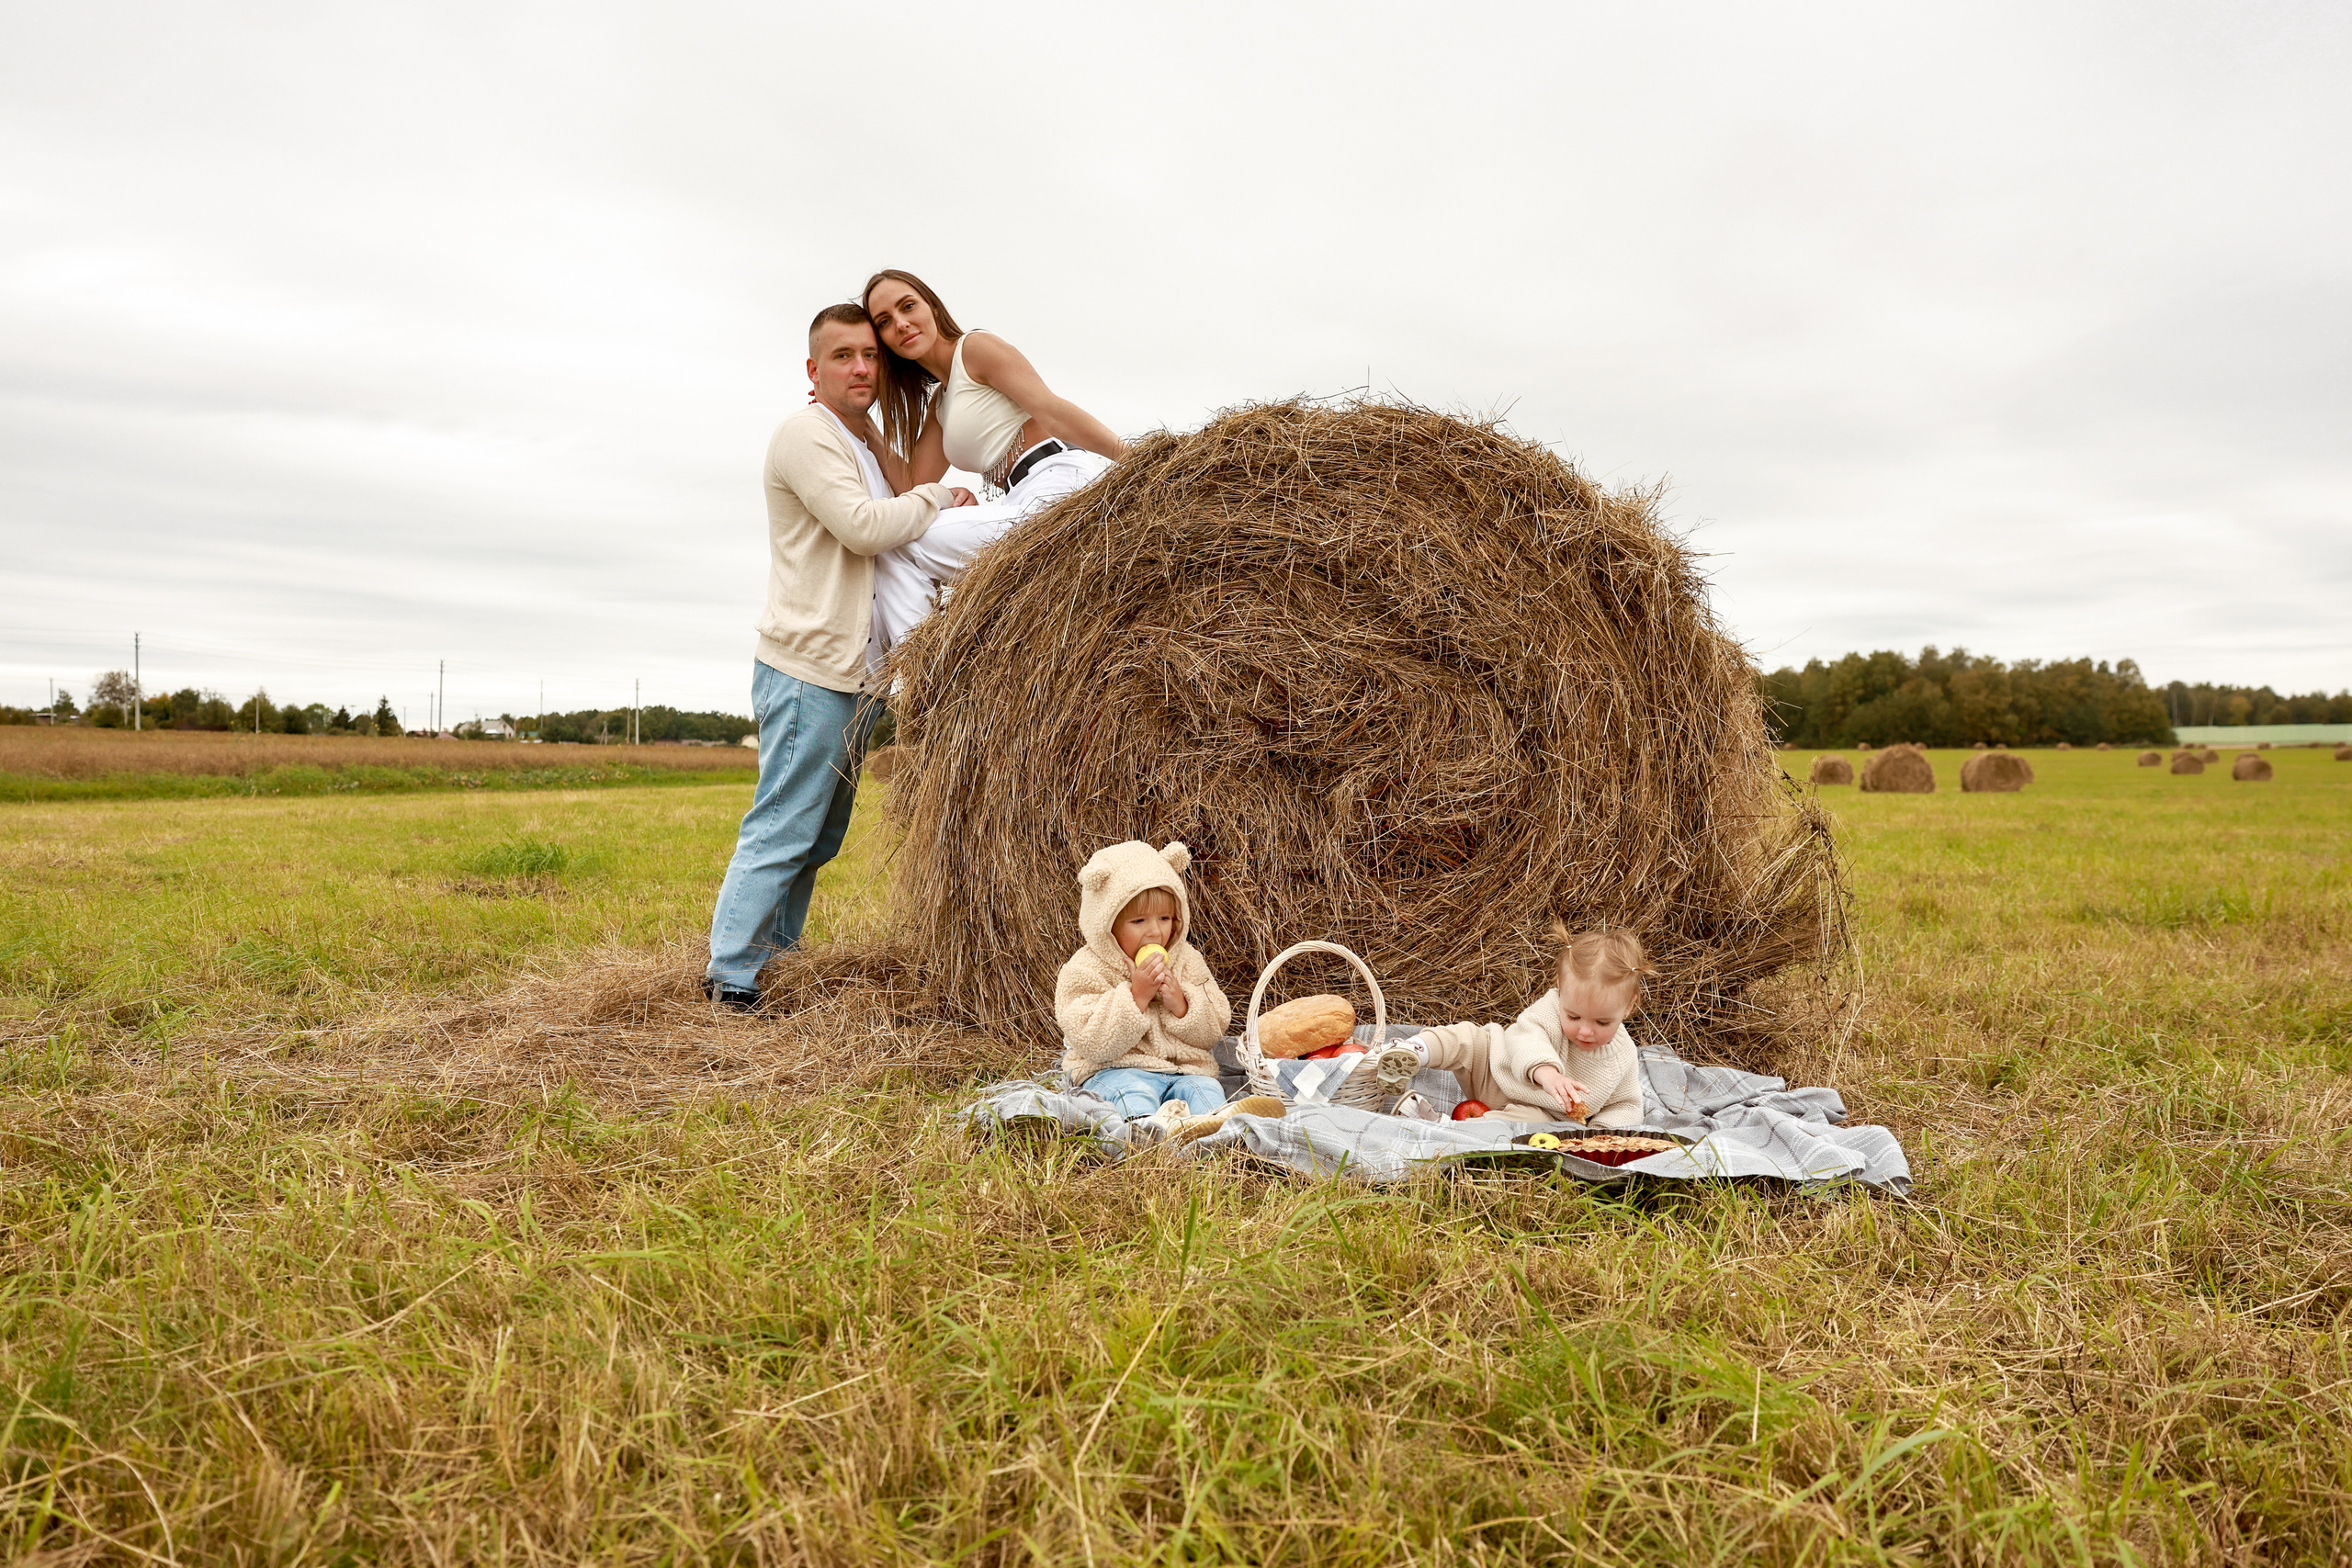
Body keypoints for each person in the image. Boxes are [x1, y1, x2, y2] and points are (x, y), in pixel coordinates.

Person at [702, 304, 977, 1011]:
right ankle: (730, 975)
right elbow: (861, 528)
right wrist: (937, 494)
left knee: (818, 835)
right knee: (783, 825)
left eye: (870, 356)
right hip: (807, 668)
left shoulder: (862, 439)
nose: (861, 367)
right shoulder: (807, 434)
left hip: (856, 674)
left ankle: (776, 961)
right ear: (813, 369)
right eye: (844, 355)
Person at [859, 269, 1127, 654]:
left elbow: (1052, 412)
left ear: (931, 306)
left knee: (895, 543)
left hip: (1056, 483)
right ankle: (928, 678)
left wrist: (1140, 463)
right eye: (884, 322)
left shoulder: (975, 349)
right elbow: (910, 483)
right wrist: (863, 424)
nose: (901, 324)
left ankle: (920, 675)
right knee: (893, 535)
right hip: (1019, 501)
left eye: (908, 306)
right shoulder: (942, 404)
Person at [1054, 840, 1277, 1140]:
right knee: (1133, 1091)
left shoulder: (1188, 960)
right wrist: (1136, 997)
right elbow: (1091, 1040)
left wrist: (1183, 1005)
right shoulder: (1086, 969)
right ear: (1106, 924)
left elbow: (1215, 1027)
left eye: (1164, 918)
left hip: (1185, 1070)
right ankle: (1145, 1134)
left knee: (1205, 1088)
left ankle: (1213, 1133)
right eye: (1138, 921)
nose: (1155, 931)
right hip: (1115, 1070)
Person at [1397, 925, 1654, 1125]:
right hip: (1496, 1071)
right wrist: (1547, 1072)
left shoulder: (1623, 1056)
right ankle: (1412, 1050)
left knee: (1537, 1125)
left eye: (1602, 1022)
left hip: (1538, 1110)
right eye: (1573, 1017)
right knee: (1469, 1039)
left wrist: (1602, 1134)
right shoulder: (1551, 1007)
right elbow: (1527, 1035)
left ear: (1629, 1006)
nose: (1585, 1031)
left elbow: (1626, 1105)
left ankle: (1446, 1127)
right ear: (1560, 989)